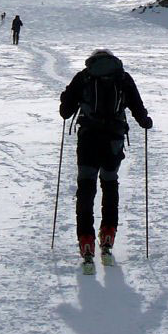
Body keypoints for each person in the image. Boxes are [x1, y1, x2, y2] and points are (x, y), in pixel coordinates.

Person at [59, 49, 153, 262]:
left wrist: (67, 97)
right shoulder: (123, 77)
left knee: (86, 186)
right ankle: (108, 234)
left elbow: (65, 112)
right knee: (110, 184)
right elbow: (137, 106)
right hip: (114, 138)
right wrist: (145, 120)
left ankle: (86, 240)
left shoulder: (84, 76)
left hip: (88, 139)